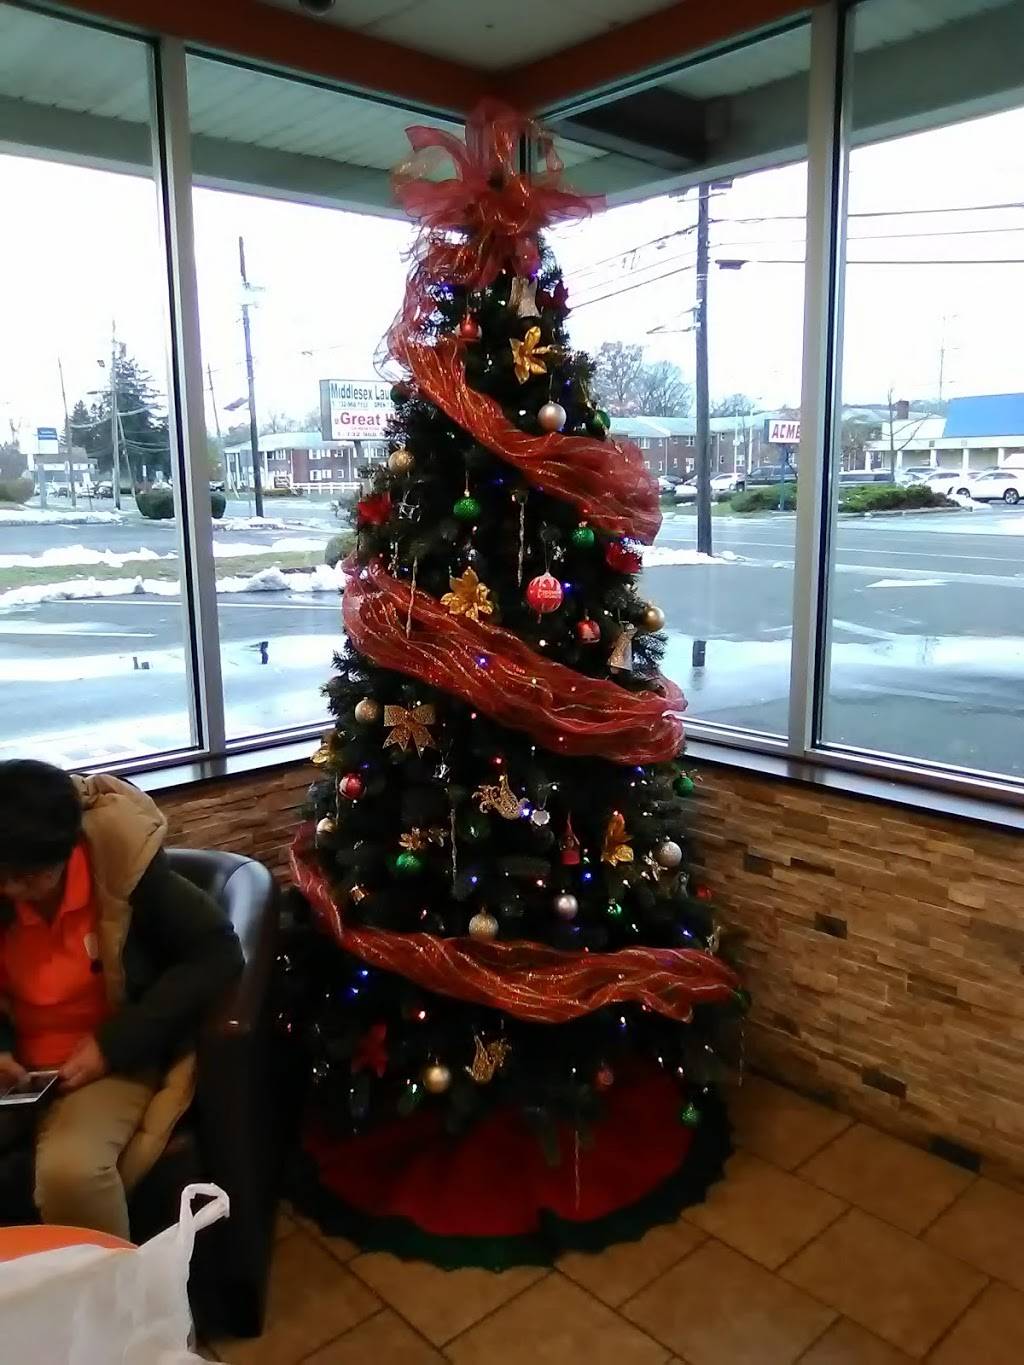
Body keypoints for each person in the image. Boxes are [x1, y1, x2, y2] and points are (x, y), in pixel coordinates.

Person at [0, 761, 243, 1238]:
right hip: (19, 1064)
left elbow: (217, 951)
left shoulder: (126, 871)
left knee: (72, 1174)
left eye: (26, 878)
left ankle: (115, 1288)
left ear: (66, 850)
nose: (9, 890)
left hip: (111, 1056)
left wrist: (111, 1045)